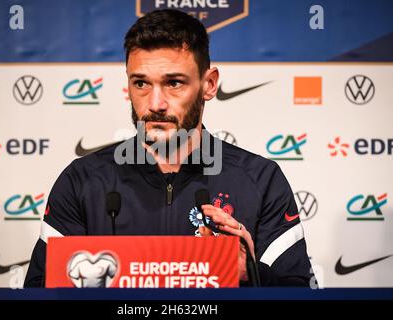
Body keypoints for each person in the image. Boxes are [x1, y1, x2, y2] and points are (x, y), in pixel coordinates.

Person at [24, 9, 313, 287]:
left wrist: (252, 274)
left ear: (209, 84)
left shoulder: (261, 179)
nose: (155, 104)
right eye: (141, 83)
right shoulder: (82, 180)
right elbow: (39, 290)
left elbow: (299, 292)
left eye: (174, 83)